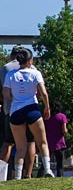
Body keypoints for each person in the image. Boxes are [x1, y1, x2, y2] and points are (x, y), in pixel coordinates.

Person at [2, 48, 54, 179]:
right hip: (32, 109)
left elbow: (6, 95)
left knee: (20, 147)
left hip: (16, 111)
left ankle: (18, 175)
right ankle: (47, 169)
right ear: (30, 61)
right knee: (42, 142)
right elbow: (43, 93)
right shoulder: (35, 73)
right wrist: (47, 107)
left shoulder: (10, 74)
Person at [39, 103, 67, 177]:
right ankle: (60, 176)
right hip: (59, 142)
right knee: (59, 162)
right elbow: (64, 130)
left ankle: (40, 175)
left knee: (44, 162)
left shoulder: (46, 117)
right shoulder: (62, 116)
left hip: (48, 142)